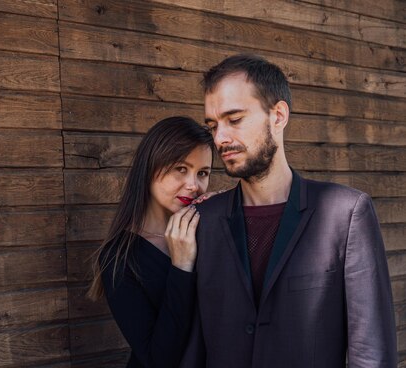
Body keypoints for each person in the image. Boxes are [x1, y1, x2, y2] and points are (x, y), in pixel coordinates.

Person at [179, 54, 396, 367]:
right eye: (213, 126)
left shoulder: (346, 214)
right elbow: (195, 347)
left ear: (278, 116)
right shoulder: (205, 219)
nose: (220, 138)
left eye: (235, 119)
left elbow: (372, 353)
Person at [87, 116, 215, 368]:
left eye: (202, 173)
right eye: (181, 168)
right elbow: (159, 360)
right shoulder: (119, 257)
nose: (193, 185)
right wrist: (181, 267)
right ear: (150, 167)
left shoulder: (208, 231)